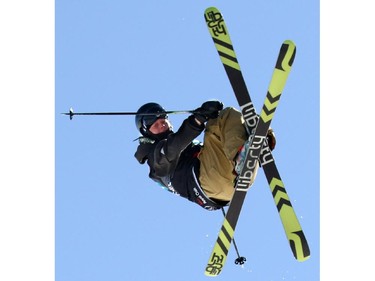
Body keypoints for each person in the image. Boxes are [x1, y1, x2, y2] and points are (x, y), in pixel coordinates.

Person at [134, 101, 276, 211]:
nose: (161, 124)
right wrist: (197, 120)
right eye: (152, 123)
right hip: (208, 183)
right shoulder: (154, 158)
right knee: (223, 117)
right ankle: (244, 155)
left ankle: (257, 144)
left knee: (237, 125)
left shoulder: (185, 145)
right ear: (145, 130)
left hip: (230, 188)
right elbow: (171, 149)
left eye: (163, 118)